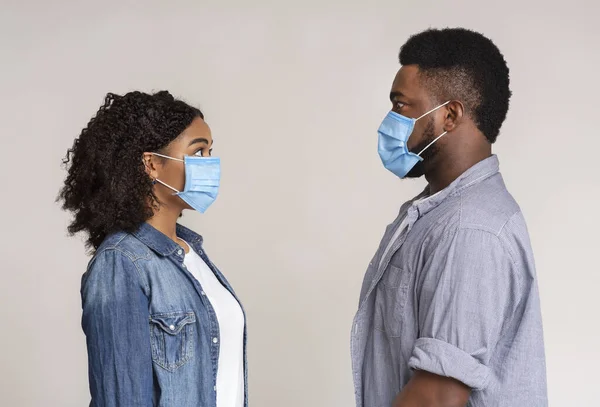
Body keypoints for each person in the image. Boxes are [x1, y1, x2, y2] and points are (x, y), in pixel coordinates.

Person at [351, 28, 547, 407]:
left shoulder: (468, 228)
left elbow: (438, 395)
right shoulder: (436, 213)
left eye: (400, 105)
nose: (389, 121)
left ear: (450, 114)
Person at [58, 91, 246, 407]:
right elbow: (123, 398)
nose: (210, 165)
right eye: (198, 152)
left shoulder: (192, 252)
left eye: (211, 152)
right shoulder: (121, 263)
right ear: (152, 164)